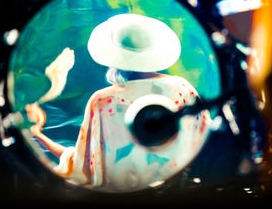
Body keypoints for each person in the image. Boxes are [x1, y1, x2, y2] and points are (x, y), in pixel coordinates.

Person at [27, 14, 211, 192]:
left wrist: (40, 138)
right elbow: (206, 143)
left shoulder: (102, 101)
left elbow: (85, 166)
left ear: (115, 54)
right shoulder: (182, 89)